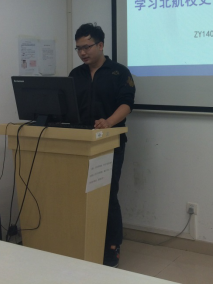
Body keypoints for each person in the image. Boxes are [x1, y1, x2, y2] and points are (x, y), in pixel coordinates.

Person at [69, 23, 135, 268]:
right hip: (80, 143)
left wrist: (108, 122)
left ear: (100, 45)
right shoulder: (75, 74)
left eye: (87, 47)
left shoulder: (119, 72)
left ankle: (111, 246)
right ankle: (84, 239)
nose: (82, 52)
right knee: (79, 193)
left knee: (107, 195)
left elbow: (127, 104)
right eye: (78, 48)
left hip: (110, 143)